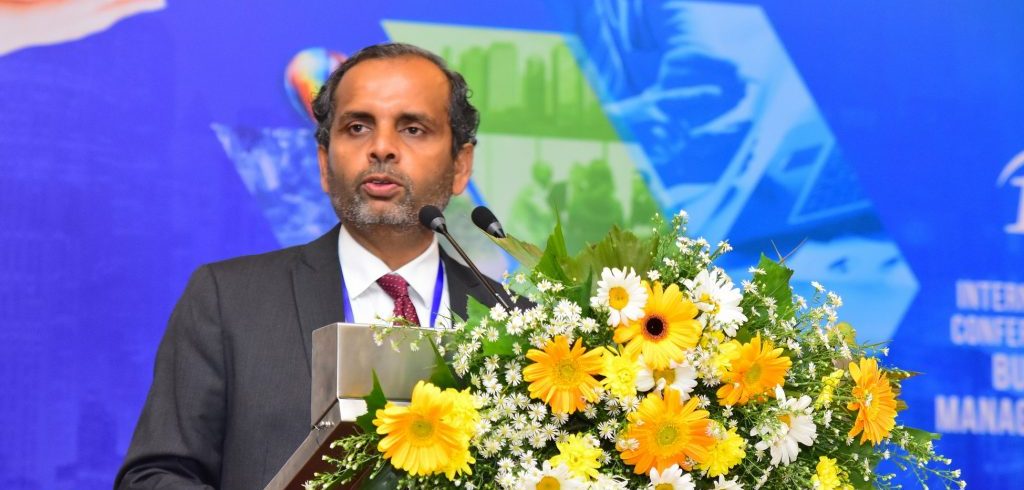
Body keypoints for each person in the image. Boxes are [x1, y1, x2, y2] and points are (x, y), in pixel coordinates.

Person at [115, 42, 507, 489]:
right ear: (324, 163)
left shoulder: (518, 321)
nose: (382, 147)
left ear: (461, 165)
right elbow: (153, 478)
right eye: (357, 127)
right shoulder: (228, 301)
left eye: (413, 129)